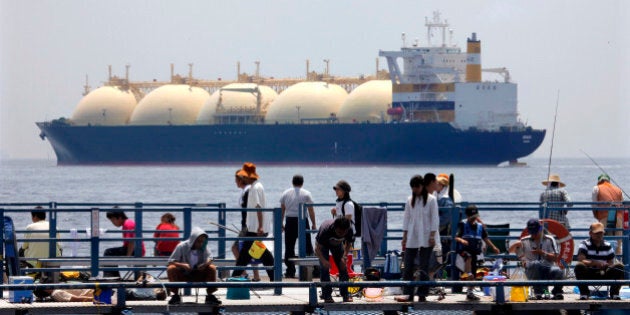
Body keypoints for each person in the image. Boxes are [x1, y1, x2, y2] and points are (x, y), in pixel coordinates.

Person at [395, 174, 439, 303]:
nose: (415, 190)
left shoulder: (431, 200)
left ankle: (422, 293)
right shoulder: (410, 200)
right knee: (408, 265)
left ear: (422, 186)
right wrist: (404, 237)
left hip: (426, 236)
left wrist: (432, 236)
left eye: (417, 187)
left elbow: (434, 218)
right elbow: (406, 218)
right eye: (413, 188)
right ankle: (408, 293)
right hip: (412, 236)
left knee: (424, 266)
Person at [231, 162, 275, 281]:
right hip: (254, 227)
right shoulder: (257, 186)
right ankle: (275, 277)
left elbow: (258, 206)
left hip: (255, 228)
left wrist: (260, 226)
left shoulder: (255, 188)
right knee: (258, 253)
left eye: (244, 176)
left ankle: (233, 278)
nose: (243, 178)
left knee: (246, 254)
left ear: (249, 176)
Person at [508, 218, 564, 300]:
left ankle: (557, 292)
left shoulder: (550, 239)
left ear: (540, 229)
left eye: (535, 232)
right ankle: (539, 292)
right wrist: (515, 244)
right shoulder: (524, 240)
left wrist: (542, 253)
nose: (533, 235)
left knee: (559, 270)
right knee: (536, 264)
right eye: (532, 233)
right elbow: (510, 252)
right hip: (531, 270)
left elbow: (555, 258)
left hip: (547, 268)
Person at [454, 205, 500, 301]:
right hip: (464, 252)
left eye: (475, 216)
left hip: (475, 252)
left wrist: (494, 247)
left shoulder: (480, 227)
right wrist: (462, 241)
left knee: (474, 273)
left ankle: (470, 292)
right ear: (467, 216)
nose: (473, 219)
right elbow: (456, 237)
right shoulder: (462, 224)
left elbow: (485, 238)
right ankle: (469, 272)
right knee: (468, 257)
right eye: (471, 217)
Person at [166, 227, 221, 305]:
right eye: (198, 241)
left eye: (202, 241)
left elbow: (210, 258)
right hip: (183, 274)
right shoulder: (181, 246)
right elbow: (171, 261)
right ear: (193, 240)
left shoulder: (204, 247)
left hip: (199, 274)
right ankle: (175, 296)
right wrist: (183, 265)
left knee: (212, 268)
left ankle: (210, 295)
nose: (200, 243)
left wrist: (204, 265)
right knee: (171, 269)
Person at [574, 222, 624, 300]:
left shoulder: (607, 245)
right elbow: (581, 260)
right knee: (579, 266)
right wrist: (595, 263)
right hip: (589, 272)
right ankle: (584, 293)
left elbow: (611, 262)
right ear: (590, 233)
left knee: (619, 266)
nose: (599, 235)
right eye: (597, 233)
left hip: (604, 273)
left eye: (601, 233)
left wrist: (606, 265)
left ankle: (614, 293)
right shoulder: (584, 244)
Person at [280, 174, 317, 279]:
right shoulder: (306, 194)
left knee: (289, 247)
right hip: (302, 221)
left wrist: (281, 223)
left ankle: (290, 271)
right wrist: (313, 223)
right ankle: (313, 269)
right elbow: (311, 210)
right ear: (302, 183)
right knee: (308, 246)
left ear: (292, 182)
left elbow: (282, 209)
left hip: (290, 220)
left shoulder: (285, 193)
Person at [315, 217, 354, 303]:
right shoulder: (326, 230)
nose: (342, 234)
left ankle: (345, 294)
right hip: (323, 245)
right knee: (324, 269)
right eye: (340, 232)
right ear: (335, 228)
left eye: (344, 232)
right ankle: (327, 295)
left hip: (337, 245)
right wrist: (324, 261)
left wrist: (344, 257)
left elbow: (348, 244)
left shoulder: (349, 230)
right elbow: (317, 249)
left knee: (343, 268)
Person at [232, 168, 260, 281]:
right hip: (247, 225)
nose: (235, 182)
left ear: (240, 180)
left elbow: (254, 208)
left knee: (235, 248)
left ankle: (242, 273)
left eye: (236, 179)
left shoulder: (248, 191)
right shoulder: (246, 190)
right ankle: (255, 276)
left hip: (248, 226)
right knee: (251, 250)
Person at [104, 209, 146, 278]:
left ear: (119, 217)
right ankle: (113, 276)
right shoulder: (127, 223)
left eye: (113, 220)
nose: (113, 223)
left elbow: (131, 241)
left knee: (109, 252)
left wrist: (128, 257)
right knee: (111, 253)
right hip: (135, 249)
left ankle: (111, 277)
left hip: (135, 250)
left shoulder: (128, 224)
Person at [591, 173, 624, 253]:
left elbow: (594, 205)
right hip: (619, 218)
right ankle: (618, 259)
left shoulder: (596, 188)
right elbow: (623, 203)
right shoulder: (619, 189)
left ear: (599, 181)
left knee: (601, 240)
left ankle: (604, 257)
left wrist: (596, 216)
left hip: (603, 217)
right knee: (618, 241)